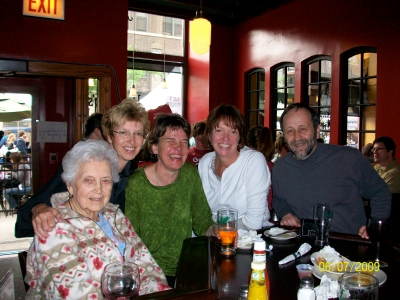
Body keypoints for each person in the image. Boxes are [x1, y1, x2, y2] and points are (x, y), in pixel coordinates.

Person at [25, 140, 170, 299]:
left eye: (105, 180)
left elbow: (147, 266)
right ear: (70, 185)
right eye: (88, 180)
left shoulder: (113, 214)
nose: (99, 190)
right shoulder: (53, 229)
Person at [15, 100, 149, 238]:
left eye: (138, 134)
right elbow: (26, 215)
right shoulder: (83, 167)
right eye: (124, 132)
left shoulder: (131, 179)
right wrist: (39, 209)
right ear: (109, 136)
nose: (132, 141)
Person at [125, 114, 218, 288]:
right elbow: (131, 240)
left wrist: (213, 229)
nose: (179, 148)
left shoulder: (190, 174)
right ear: (154, 147)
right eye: (170, 141)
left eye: (184, 142)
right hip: (148, 271)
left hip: (186, 269)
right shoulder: (136, 184)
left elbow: (202, 220)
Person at [272, 103, 391, 237]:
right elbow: (279, 200)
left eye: (303, 129)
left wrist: (374, 224)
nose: (297, 137)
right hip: (304, 247)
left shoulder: (348, 159)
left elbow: (380, 192)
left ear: (317, 130)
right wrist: (286, 213)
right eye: (290, 131)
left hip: (349, 245)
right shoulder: (280, 168)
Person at [198, 104, 271, 231]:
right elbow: (201, 213)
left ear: (239, 137)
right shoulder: (205, 163)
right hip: (217, 241)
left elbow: (254, 223)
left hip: (252, 241)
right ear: (209, 135)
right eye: (219, 130)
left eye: (233, 131)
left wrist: (217, 229)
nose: (226, 138)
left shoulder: (253, 161)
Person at [246, 125, 275, 210]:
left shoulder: (246, 167)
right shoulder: (275, 168)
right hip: (273, 216)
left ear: (248, 144)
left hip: (251, 217)